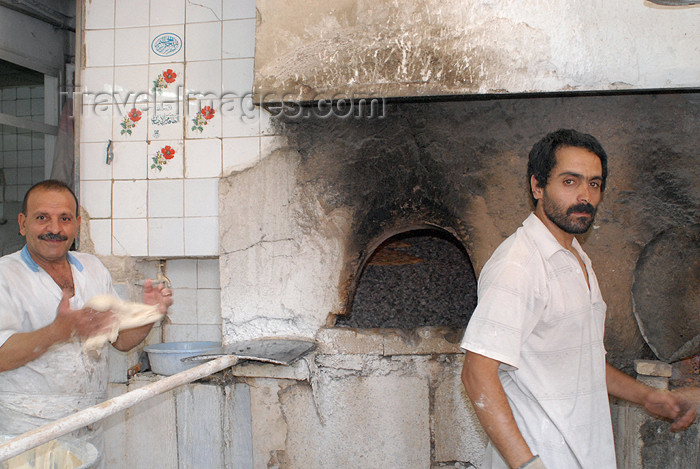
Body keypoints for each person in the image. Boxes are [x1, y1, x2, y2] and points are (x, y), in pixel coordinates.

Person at [460, 129, 696, 469]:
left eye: (594, 184)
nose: (585, 195)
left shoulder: (576, 258)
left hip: (584, 455)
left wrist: (650, 398)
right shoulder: (519, 264)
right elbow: (477, 374)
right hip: (540, 457)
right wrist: (527, 465)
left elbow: (582, 363)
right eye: (570, 182)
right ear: (537, 187)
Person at [0, 179, 173, 463]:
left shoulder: (92, 269)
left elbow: (119, 340)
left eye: (64, 219)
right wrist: (58, 332)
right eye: (42, 218)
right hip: (26, 437)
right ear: (22, 223)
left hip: (88, 428)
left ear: (77, 224)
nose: (54, 229)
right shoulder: (5, 276)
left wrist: (150, 313)